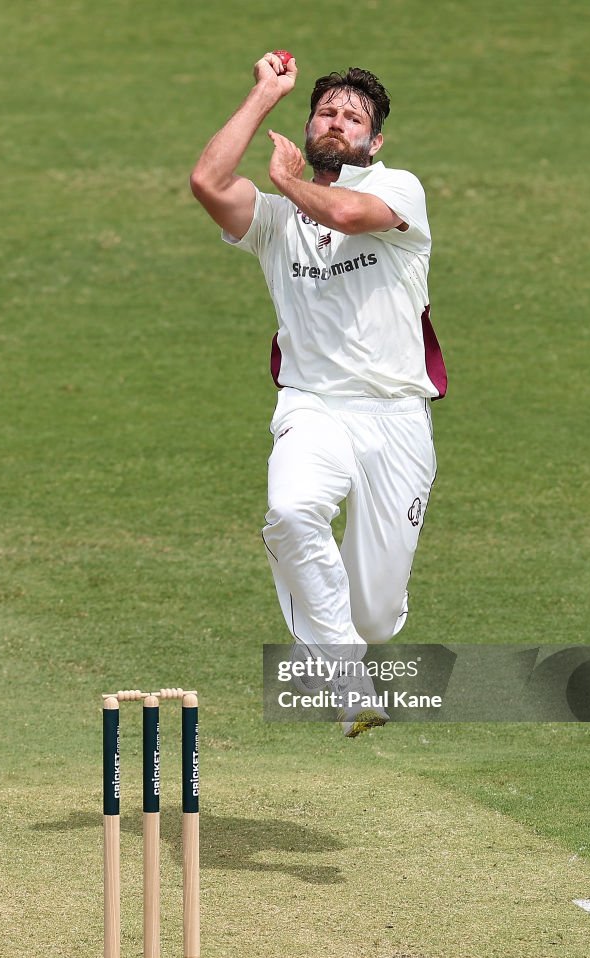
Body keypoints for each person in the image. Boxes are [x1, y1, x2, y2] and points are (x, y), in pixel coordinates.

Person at [190, 53, 447, 736]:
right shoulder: (276, 219)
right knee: (291, 509)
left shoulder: (400, 188)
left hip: (394, 416)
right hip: (312, 405)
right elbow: (206, 181)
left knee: (374, 615)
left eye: (352, 117)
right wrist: (262, 96)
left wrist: (280, 179)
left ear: (373, 140)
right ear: (308, 124)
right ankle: (346, 680)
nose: (336, 122)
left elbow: (347, 212)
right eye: (326, 112)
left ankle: (355, 644)